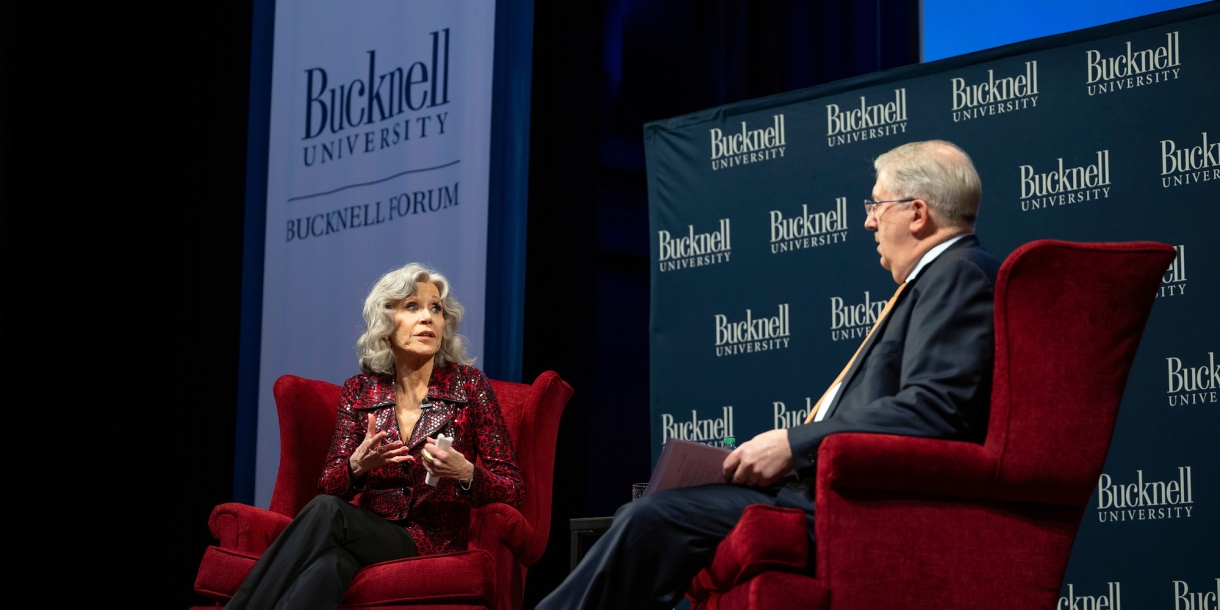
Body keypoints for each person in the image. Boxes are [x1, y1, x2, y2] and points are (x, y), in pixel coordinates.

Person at [538, 140, 1001, 610]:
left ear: (917, 213)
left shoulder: (957, 273)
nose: (868, 221)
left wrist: (792, 445)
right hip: (830, 486)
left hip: (853, 500)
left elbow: (933, 410)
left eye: (876, 205)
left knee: (652, 518)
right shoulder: (936, 278)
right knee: (646, 509)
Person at [226, 263, 524, 609]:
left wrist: (466, 473)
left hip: (431, 541)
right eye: (412, 306)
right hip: (367, 532)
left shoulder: (470, 385)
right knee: (328, 566)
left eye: (436, 308)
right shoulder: (360, 390)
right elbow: (329, 484)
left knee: (327, 511)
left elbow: (513, 489)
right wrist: (355, 466)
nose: (427, 317)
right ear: (386, 323)